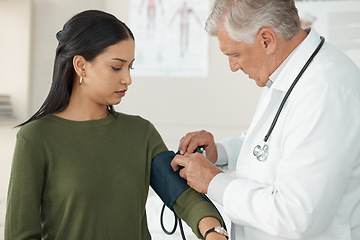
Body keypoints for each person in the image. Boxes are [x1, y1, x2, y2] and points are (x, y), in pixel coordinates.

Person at [5, 10, 227, 240]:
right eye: (116, 67)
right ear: (81, 66)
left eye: (130, 67)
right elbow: (19, 235)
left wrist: (213, 231)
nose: (127, 79)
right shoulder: (36, 138)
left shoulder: (141, 133)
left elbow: (183, 198)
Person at [171, 0, 360, 239]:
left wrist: (214, 182)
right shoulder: (290, 71)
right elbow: (274, 144)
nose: (233, 66)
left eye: (235, 54)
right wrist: (219, 153)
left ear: (266, 40)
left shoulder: (324, 91)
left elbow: (295, 216)